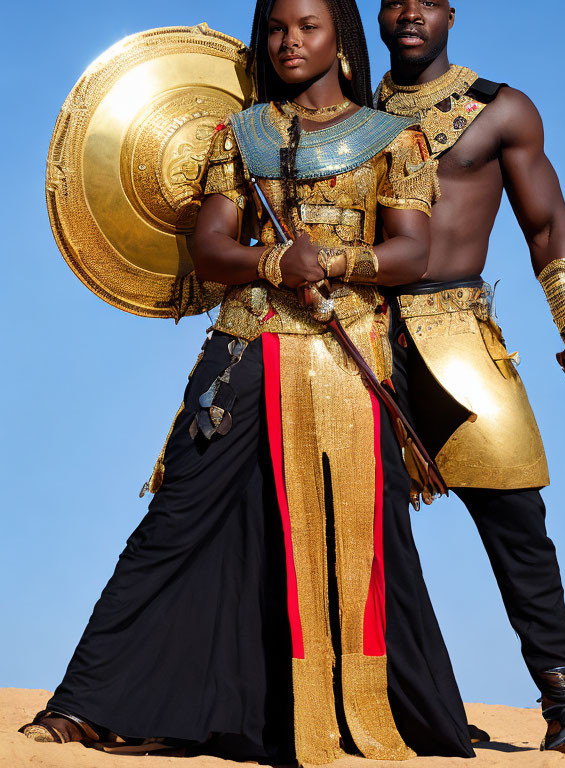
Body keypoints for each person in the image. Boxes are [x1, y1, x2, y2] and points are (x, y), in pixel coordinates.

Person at [19, 0, 475, 763]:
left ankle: (364, 714)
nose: (289, 42)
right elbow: (209, 248)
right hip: (245, 352)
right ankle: (88, 705)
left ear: (341, 39)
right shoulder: (241, 132)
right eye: (276, 28)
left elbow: (411, 254)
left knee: (369, 545)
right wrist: (272, 262)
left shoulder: (396, 139)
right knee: (178, 519)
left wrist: (329, 260)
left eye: (308, 27)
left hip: (349, 357)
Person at [375, 0, 565, 757]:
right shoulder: (352, 111)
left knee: (520, 527)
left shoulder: (501, 109)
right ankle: (407, 703)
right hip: (363, 339)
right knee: (364, 526)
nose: (409, 13)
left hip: (461, 336)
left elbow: (546, 225)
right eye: (395, 0)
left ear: (451, 12)